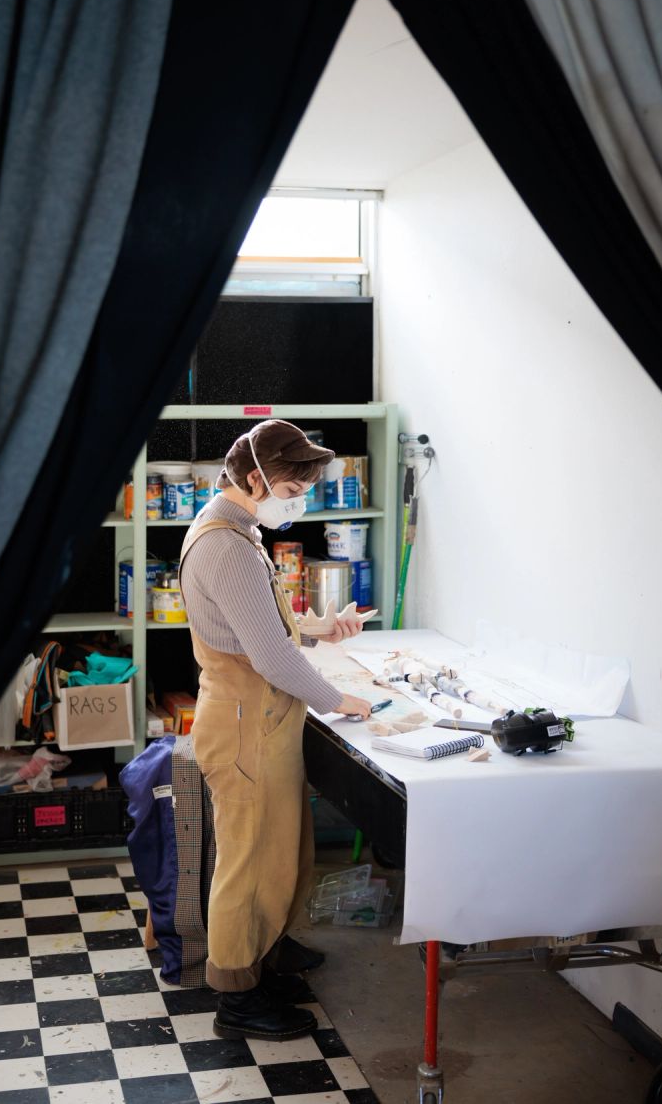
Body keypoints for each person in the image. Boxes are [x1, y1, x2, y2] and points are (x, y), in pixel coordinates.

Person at [179, 419, 373, 1041]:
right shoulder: (227, 544)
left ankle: (266, 955)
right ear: (256, 479)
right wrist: (340, 699)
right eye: (293, 489)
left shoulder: (240, 529)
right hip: (243, 728)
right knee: (249, 861)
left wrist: (325, 627)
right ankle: (237, 995)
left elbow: (270, 623)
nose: (300, 500)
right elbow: (269, 657)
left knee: (283, 847)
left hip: (263, 723)